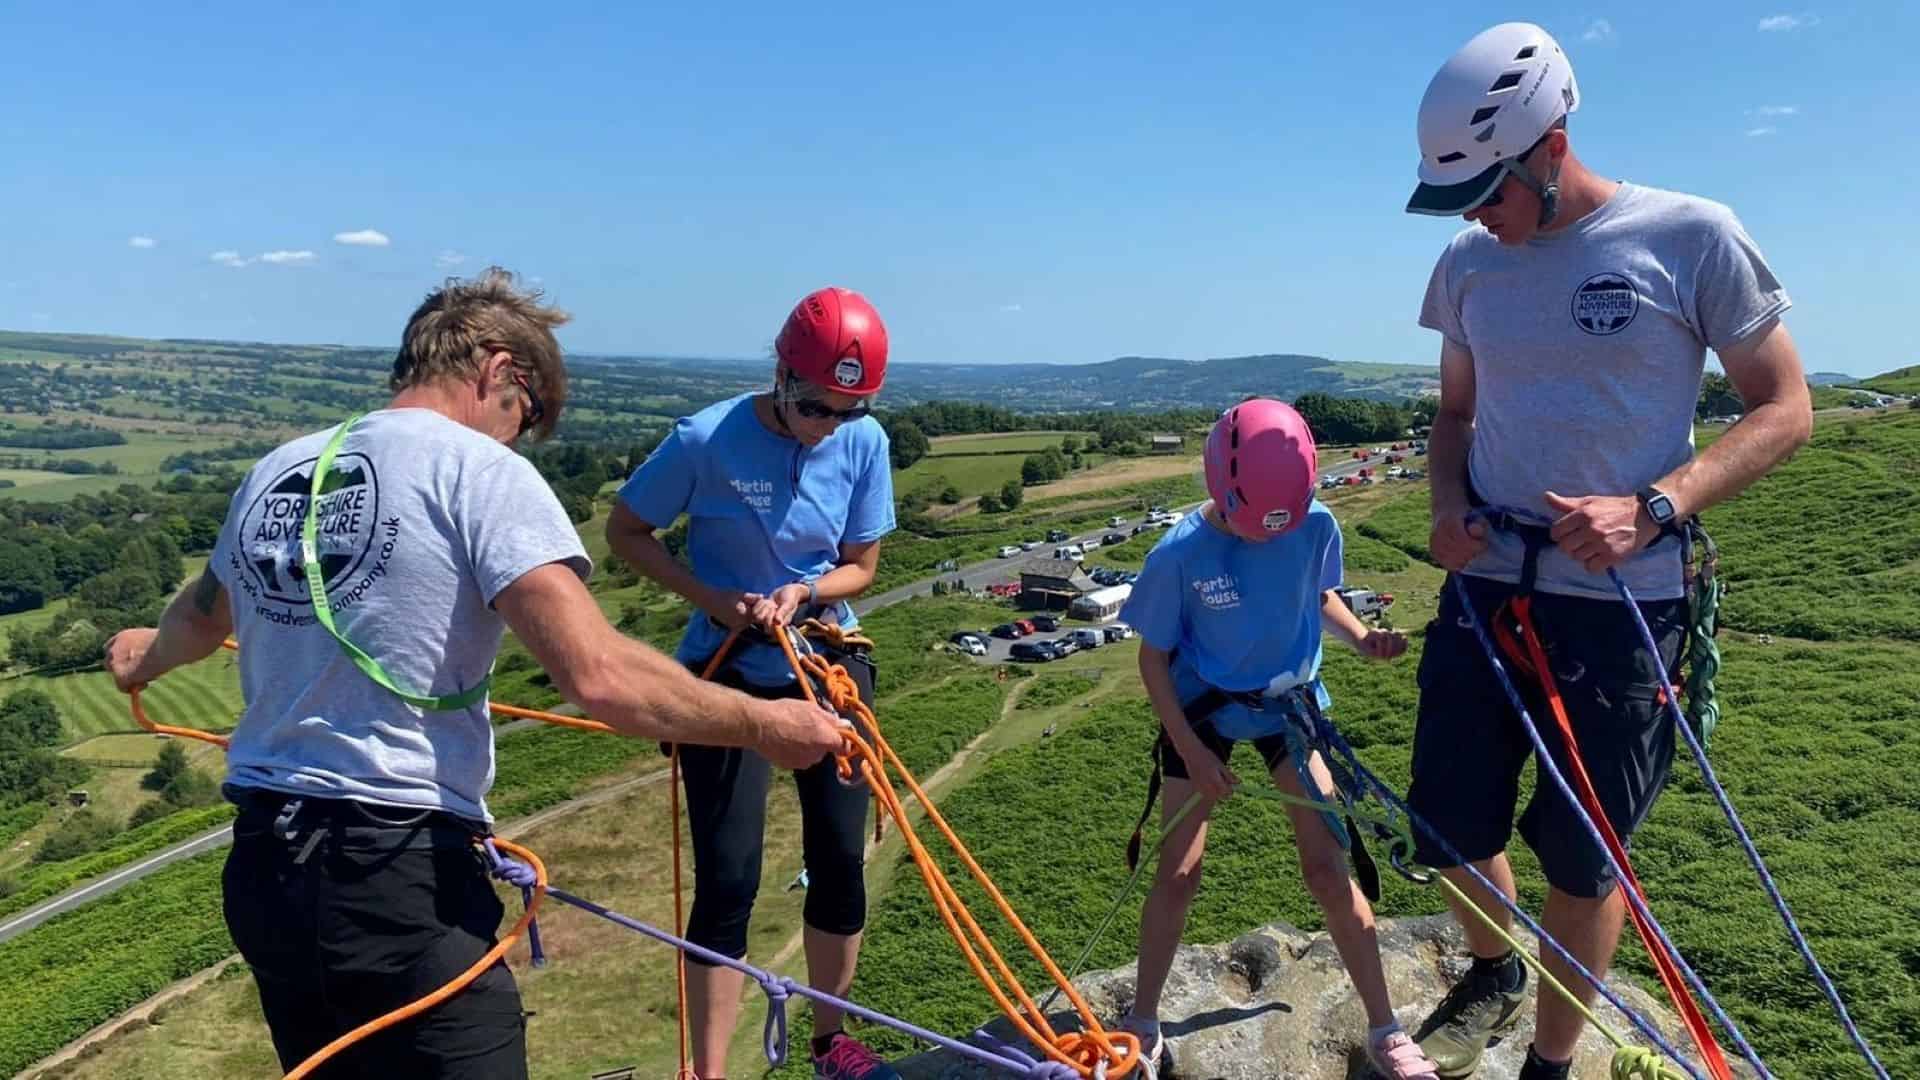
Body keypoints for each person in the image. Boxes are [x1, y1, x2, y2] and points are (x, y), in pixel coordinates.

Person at [103, 268, 846, 1080]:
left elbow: (201, 619)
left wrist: (139, 656)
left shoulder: (279, 470)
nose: (515, 439)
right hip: (393, 870)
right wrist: (772, 726)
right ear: (498, 371)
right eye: (523, 417)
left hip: (265, 874)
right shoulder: (479, 472)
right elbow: (600, 677)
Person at [1402, 23, 1811, 1079]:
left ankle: (1549, 1060)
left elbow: (1786, 407)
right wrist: (1446, 506)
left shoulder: (1689, 235)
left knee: (1585, 861)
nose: (1478, 220)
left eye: (1489, 190)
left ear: (1551, 142)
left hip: (1622, 597)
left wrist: (1657, 507)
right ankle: (1493, 968)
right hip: (1488, 580)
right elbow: (1453, 417)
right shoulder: (1469, 261)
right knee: (1447, 821)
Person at [605, 286, 898, 1080]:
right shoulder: (706, 440)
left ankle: (831, 1042)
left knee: (838, 858)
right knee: (728, 876)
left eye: (847, 409)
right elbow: (626, 530)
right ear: (780, 374)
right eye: (814, 407)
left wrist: (805, 591)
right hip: (727, 669)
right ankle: (706, 1069)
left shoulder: (863, 443)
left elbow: (862, 565)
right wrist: (712, 600)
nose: (826, 427)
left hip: (822, 660)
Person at [1116, 399, 1438, 1080]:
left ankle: (1386, 1030)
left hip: (1291, 707)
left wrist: (1360, 639)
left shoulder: (1310, 521)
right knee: (1179, 869)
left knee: (1328, 866)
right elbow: (1152, 660)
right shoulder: (1180, 554)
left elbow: (1315, 595)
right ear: (1218, 488)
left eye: (1279, 523)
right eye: (1252, 522)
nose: (1266, 536)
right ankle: (1142, 1022)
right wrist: (1196, 754)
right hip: (1204, 710)